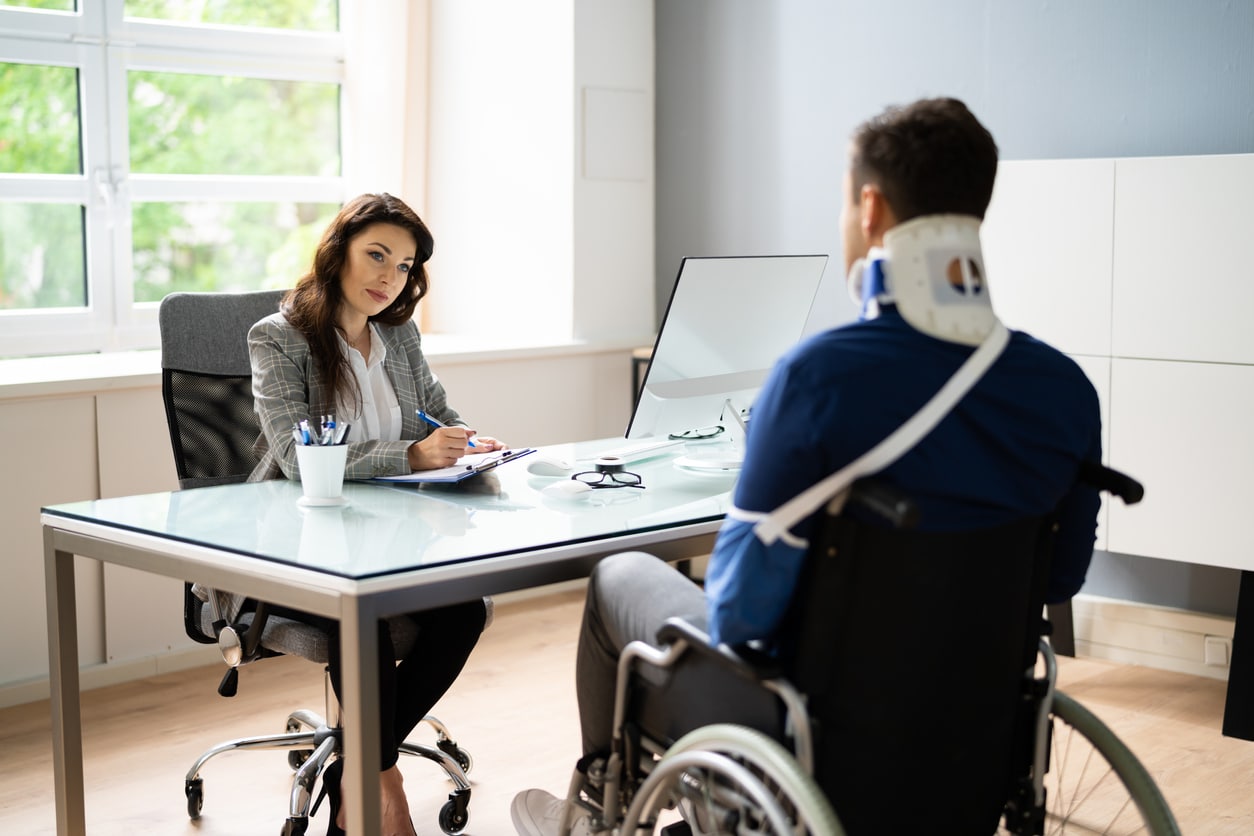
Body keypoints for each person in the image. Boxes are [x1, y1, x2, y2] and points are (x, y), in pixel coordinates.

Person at [510, 97, 1103, 836]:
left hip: (817, 721)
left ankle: (599, 814)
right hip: (975, 714)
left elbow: (739, 615)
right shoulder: (1063, 387)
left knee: (619, 575)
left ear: (872, 207)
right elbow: (1058, 578)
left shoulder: (822, 378)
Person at [248, 192, 504, 836]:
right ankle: (380, 782)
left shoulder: (399, 332)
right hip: (299, 543)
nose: (389, 278)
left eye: (405, 266)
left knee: (463, 610)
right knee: (360, 619)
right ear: (338, 253)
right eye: (377, 256)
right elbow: (290, 451)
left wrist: (462, 440)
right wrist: (410, 455)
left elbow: (438, 412)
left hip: (395, 537)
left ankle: (355, 769)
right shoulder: (279, 339)